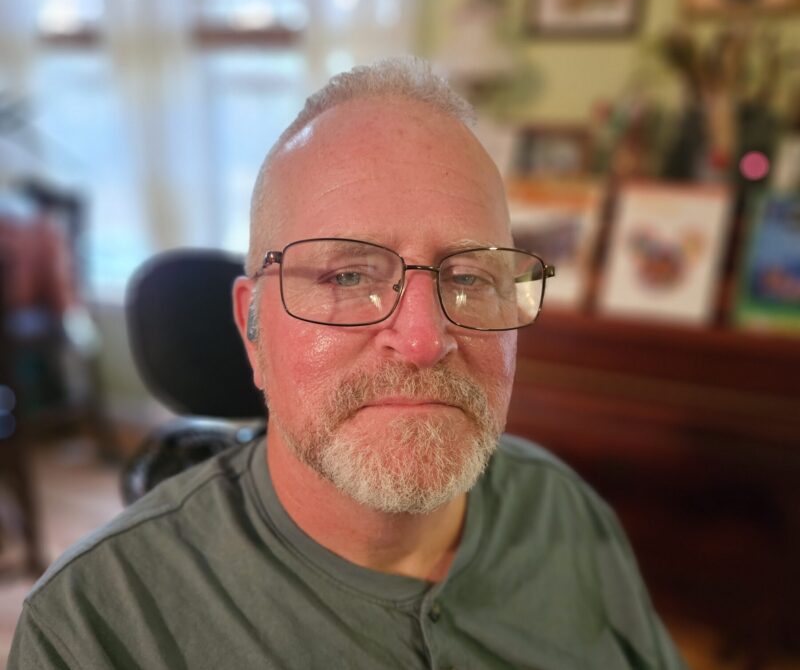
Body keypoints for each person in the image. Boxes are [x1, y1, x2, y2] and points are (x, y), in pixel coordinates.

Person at [9, 57, 686, 669]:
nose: (423, 341)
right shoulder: (96, 631)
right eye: (344, 276)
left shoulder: (564, 511)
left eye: (472, 278)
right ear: (252, 328)